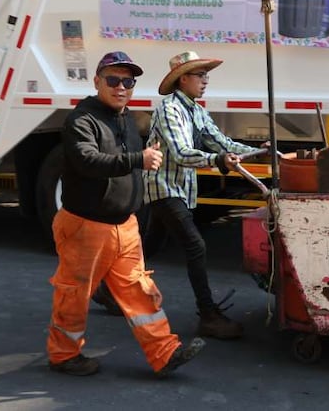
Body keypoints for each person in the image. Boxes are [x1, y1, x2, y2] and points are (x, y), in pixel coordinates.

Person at [46, 50, 204, 377]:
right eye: (113, 80)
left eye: (128, 81)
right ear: (97, 82)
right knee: (74, 295)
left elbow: (134, 162)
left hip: (124, 227)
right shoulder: (81, 120)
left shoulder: (125, 118)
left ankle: (165, 353)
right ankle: (64, 355)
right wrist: (137, 160)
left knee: (139, 291)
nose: (121, 87)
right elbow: (86, 161)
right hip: (85, 227)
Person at [140, 50, 265, 339]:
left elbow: (221, 143)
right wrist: (218, 161)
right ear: (183, 79)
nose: (206, 80)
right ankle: (208, 315)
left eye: (206, 75)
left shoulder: (196, 110)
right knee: (196, 246)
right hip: (163, 187)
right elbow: (183, 154)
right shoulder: (168, 108)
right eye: (201, 75)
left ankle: (107, 290)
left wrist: (259, 151)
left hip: (180, 189)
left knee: (150, 246)